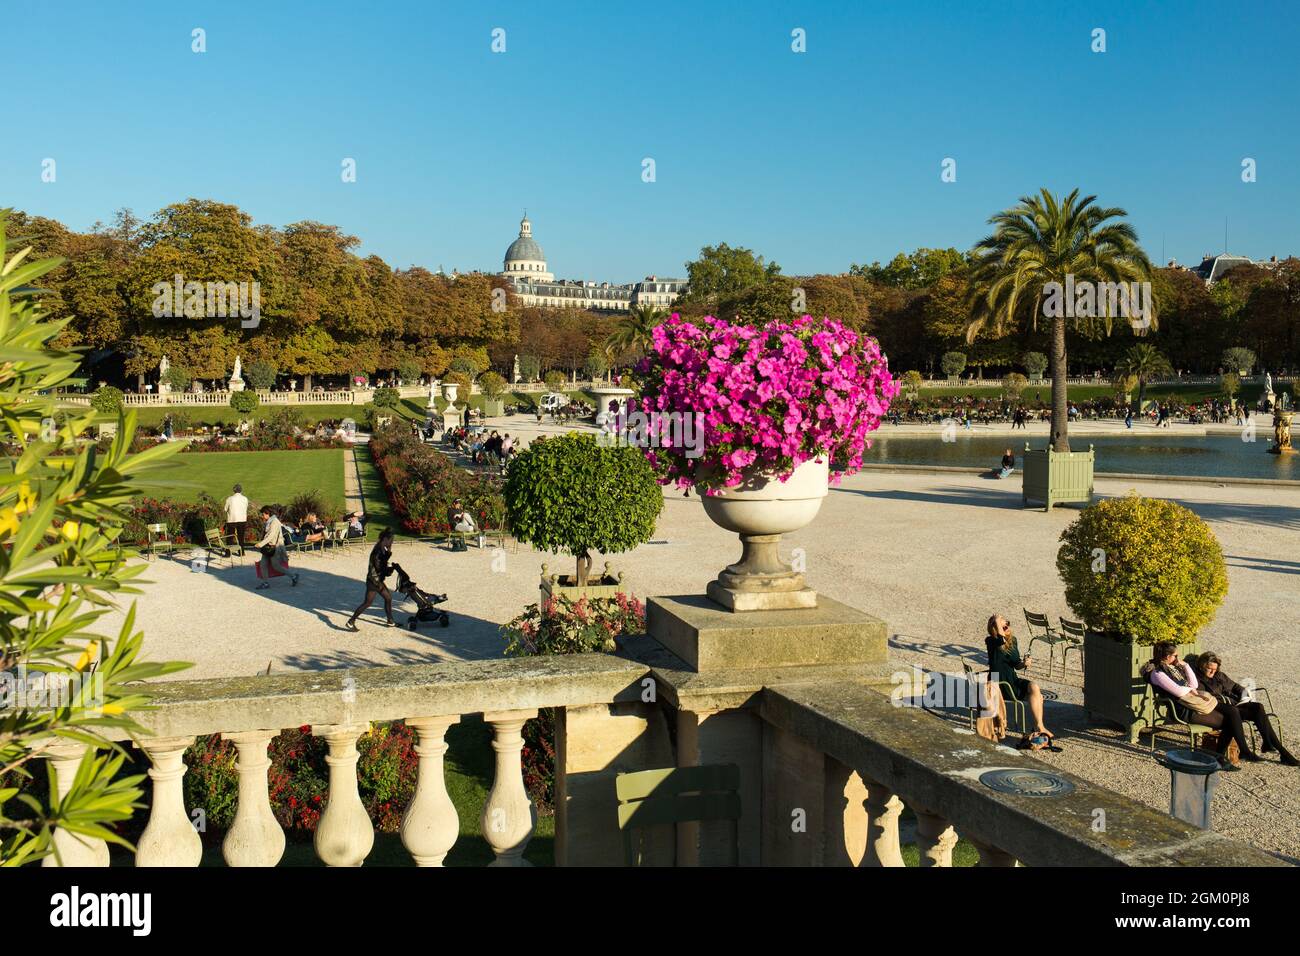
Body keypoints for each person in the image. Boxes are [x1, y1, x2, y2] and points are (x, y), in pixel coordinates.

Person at [1141, 642, 1257, 770]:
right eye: (1175, 656)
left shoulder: (1174, 669)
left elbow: (1194, 685)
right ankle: (1223, 758)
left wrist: (1186, 666)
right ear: (1167, 657)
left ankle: (1226, 757)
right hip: (1183, 709)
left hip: (1194, 703)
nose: (1178, 658)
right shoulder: (1157, 674)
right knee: (1229, 721)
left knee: (1232, 712)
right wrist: (1189, 689)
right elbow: (1178, 692)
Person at [1195, 653, 1296, 766]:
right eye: (1210, 669)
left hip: (1233, 706)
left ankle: (1273, 746)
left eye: (1215, 669)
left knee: (1258, 707)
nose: (1212, 672)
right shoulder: (1197, 680)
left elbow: (1235, 686)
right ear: (1202, 666)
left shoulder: (1219, 675)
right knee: (1236, 714)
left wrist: (1244, 695)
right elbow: (1207, 698)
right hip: (1219, 710)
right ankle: (1277, 750)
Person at [985, 615, 1053, 739]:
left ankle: (1039, 725)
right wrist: (997, 620)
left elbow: (1016, 665)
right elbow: (1001, 640)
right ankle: (1039, 727)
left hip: (1012, 679)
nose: (1007, 627)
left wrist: (1024, 663)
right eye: (1003, 626)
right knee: (1038, 696)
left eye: (1007, 624)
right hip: (998, 683)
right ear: (995, 628)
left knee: (1035, 688)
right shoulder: (991, 641)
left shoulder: (1013, 640)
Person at [346, 529, 397, 630]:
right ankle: (351, 621)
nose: (392, 542)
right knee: (370, 602)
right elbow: (379, 567)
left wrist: (389, 551)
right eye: (391, 540)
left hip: (375, 580)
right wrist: (389, 571)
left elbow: (383, 561)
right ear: (385, 539)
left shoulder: (381, 548)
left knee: (383, 599)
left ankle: (390, 621)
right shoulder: (377, 551)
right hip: (374, 581)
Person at [253, 506, 298, 589]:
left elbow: (271, 536)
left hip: (274, 547)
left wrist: (260, 544)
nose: (262, 516)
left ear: (267, 513)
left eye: (263, 514)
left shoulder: (274, 522)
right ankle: (265, 583)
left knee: (276, 566)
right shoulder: (269, 521)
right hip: (268, 546)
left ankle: (293, 576)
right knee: (263, 564)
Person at [223, 484, 250, 556]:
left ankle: (228, 553)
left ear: (234, 490)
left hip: (232, 519)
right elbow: (246, 507)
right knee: (241, 537)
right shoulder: (245, 499)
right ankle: (242, 552)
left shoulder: (229, 499)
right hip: (242, 519)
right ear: (241, 490)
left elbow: (225, 509)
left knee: (230, 537)